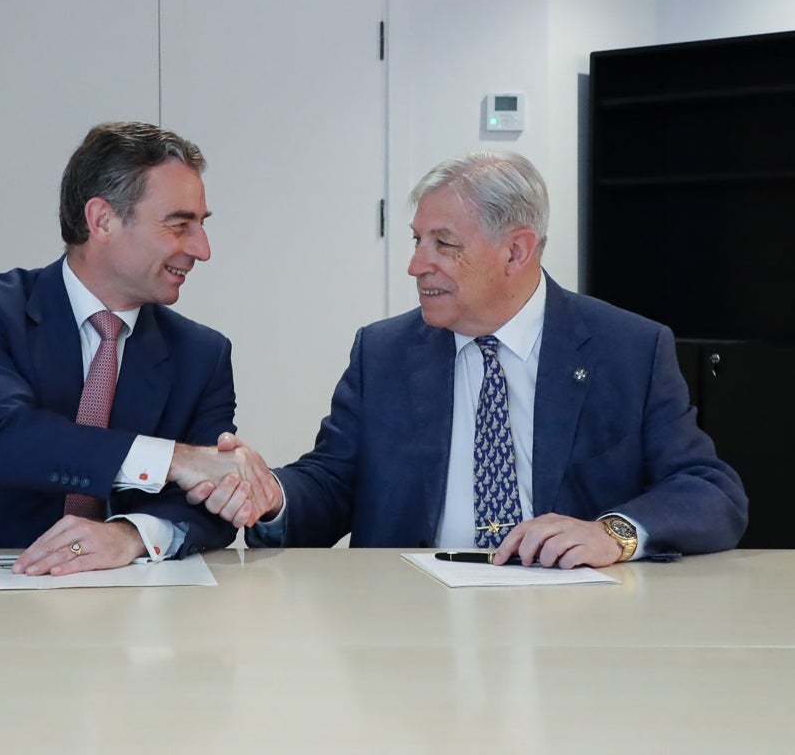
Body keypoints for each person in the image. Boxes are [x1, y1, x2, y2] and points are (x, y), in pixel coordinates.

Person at [229, 149, 747, 568]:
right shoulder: (383, 352)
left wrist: (611, 534)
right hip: (411, 618)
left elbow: (710, 491)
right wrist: (272, 495)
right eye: (417, 240)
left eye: (444, 244)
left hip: (575, 625)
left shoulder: (627, 348)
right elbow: (333, 483)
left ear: (516, 252)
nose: (415, 265)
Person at [0, 121, 277, 574]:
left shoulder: (202, 353)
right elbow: (2, 439)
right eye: (179, 225)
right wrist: (175, 460)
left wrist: (131, 535)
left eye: (201, 225)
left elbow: (209, 505)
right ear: (102, 220)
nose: (202, 249)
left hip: (143, 609)